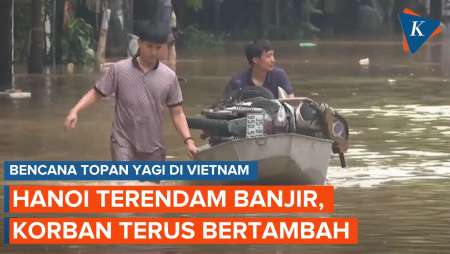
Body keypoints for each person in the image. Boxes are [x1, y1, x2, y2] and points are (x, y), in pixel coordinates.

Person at [64, 23, 197, 161]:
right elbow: (97, 92)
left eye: (158, 48)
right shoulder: (119, 70)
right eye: (149, 46)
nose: (154, 52)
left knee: (150, 184)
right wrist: (75, 110)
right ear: (140, 43)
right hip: (122, 142)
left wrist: (189, 141)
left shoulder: (169, 77)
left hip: (154, 146)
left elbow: (177, 113)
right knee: (124, 182)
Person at [224, 39, 295, 98]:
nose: (273, 60)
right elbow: (225, 105)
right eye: (268, 56)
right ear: (255, 60)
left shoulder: (279, 75)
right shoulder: (237, 82)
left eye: (273, 55)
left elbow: (291, 101)